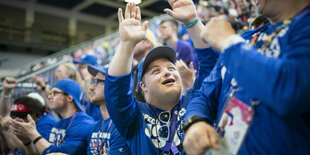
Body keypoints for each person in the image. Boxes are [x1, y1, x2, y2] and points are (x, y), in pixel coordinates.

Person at [164, 0, 310, 154]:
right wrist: (196, 121)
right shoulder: (248, 37)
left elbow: (290, 89)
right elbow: (205, 93)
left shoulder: (303, 27)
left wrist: (229, 43)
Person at [105, 3, 218, 154]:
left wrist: (193, 21)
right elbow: (116, 90)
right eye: (155, 71)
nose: (167, 73)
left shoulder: (195, 100)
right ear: (143, 85)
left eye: (172, 68)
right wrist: (126, 44)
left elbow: (212, 65)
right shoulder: (134, 117)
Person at [9, 78, 95, 155]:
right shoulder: (59, 124)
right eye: (50, 93)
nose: (49, 96)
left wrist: (32, 133)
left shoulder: (83, 124)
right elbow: (40, 152)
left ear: (69, 97)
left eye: (55, 93)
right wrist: (27, 142)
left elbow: (59, 153)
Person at [0, 77, 57, 155]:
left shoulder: (46, 124)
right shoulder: (36, 120)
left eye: (23, 116)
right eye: (15, 116)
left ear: (34, 114)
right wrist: (6, 92)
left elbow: (33, 152)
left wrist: (10, 130)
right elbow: (5, 116)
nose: (18, 119)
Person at [86, 65, 130, 155]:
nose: (91, 87)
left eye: (96, 82)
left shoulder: (122, 126)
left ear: (113, 86)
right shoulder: (95, 127)